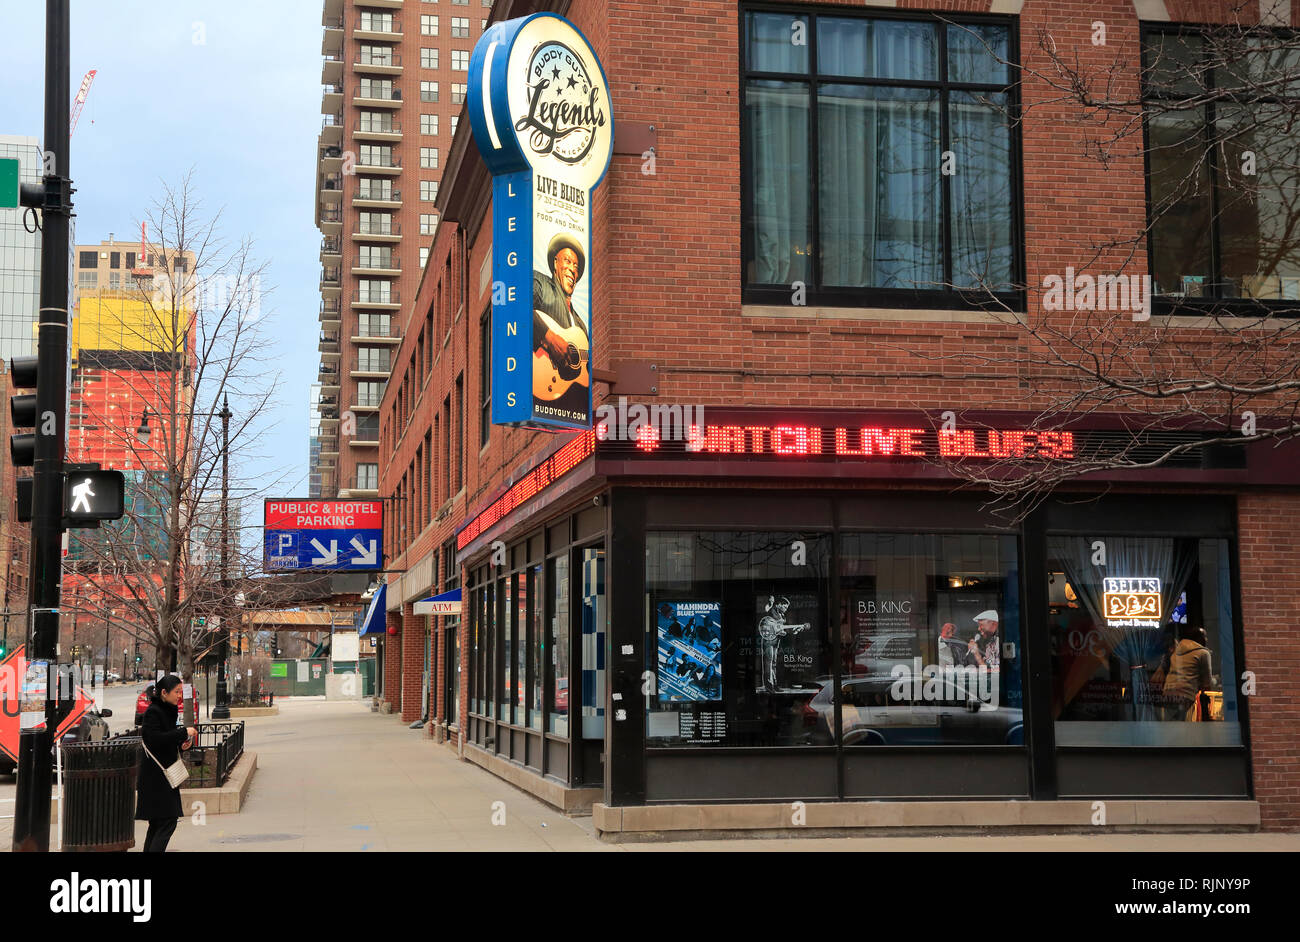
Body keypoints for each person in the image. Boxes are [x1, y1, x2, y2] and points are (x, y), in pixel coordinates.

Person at [136, 675, 197, 853]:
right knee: (167, 821)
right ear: (164, 692)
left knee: (158, 823)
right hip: (156, 778)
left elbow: (166, 740)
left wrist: (182, 744)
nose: (179, 695)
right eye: (176, 692)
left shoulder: (168, 710)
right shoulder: (154, 712)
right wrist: (182, 732)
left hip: (164, 775)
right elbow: (154, 739)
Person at [533, 233, 590, 415]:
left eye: (576, 266)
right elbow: (518, 307)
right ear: (555, 263)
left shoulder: (580, 324)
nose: (572, 269)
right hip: (539, 385)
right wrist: (549, 338)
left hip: (568, 400)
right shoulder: (540, 283)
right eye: (567, 261)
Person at [1162, 626, 1213, 721]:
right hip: (1185, 694)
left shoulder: (1176, 651)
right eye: (1204, 636)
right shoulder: (1203, 653)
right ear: (1198, 638)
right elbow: (1207, 682)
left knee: (1169, 724)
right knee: (1183, 725)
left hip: (1168, 693)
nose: (1206, 639)